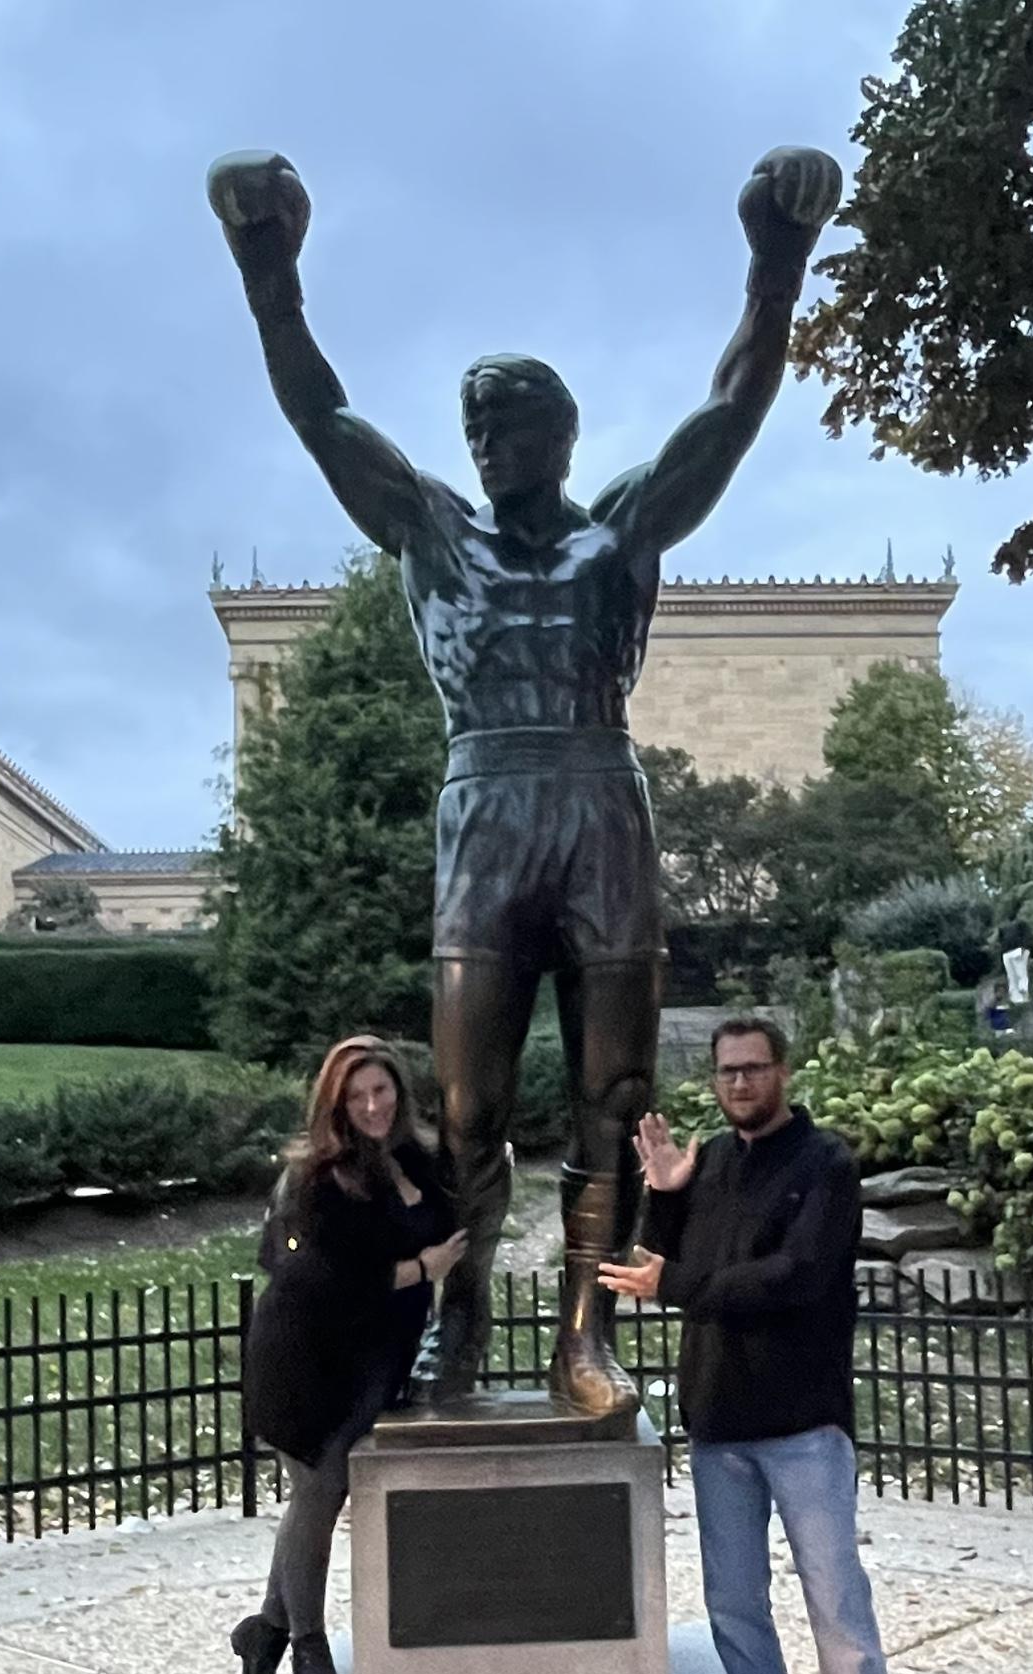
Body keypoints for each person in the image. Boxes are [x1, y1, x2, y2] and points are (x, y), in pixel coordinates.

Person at [207, 142, 843, 1417]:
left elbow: (728, 414)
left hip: (601, 800)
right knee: (466, 1101)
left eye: (513, 423)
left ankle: (585, 1335)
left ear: (563, 434)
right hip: (484, 810)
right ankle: (460, 1322)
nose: (490, 443)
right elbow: (321, 414)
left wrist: (774, 266)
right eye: (476, 426)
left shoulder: (622, 529)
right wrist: (269, 270)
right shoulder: (432, 531)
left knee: (611, 1096)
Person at [599, 1016, 897, 1674]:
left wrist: (681, 1279)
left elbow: (794, 1278)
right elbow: (653, 1270)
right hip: (722, 1423)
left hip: (803, 1423)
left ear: (783, 1072)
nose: (739, 1084)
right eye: (728, 1072)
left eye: (754, 1069)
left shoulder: (826, 1165)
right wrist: (664, 1191)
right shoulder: (714, 1163)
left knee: (836, 1604)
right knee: (735, 1606)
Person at [229, 1036, 466, 1674]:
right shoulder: (320, 1176)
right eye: (357, 1095)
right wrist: (421, 1269)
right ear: (335, 1104)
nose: (371, 1105)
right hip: (307, 1358)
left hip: (375, 1359)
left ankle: (264, 1630)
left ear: (399, 1090)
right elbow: (324, 1278)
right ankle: (305, 1643)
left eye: (381, 1089)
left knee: (317, 1497)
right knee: (321, 1490)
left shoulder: (417, 1158)